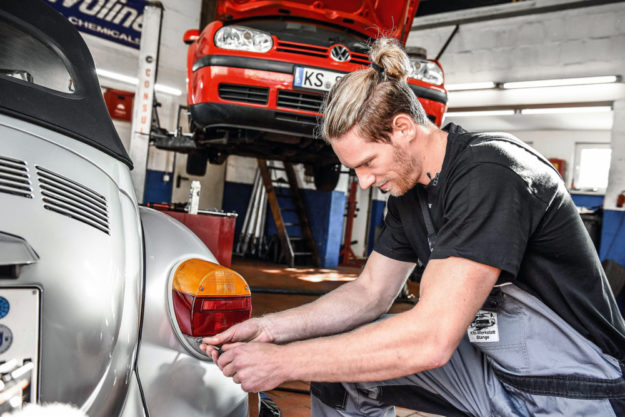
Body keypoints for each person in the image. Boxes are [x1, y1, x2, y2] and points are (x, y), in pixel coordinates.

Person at [200, 38, 625, 416]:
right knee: (341, 374)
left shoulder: (491, 172)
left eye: (367, 163)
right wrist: (272, 330)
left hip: (576, 388)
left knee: (345, 356)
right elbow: (368, 294)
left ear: (403, 128)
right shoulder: (409, 196)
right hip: (497, 371)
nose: (365, 181)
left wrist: (283, 363)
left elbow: (432, 339)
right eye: (354, 170)